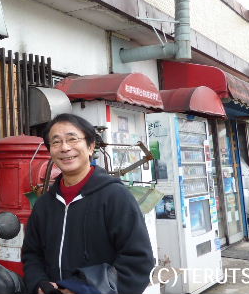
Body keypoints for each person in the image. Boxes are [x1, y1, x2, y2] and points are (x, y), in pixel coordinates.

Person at [22, 113, 154, 294]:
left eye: (72, 139)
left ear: (91, 146)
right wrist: (39, 284)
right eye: (56, 142)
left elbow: (138, 262)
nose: (65, 148)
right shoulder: (44, 204)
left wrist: (79, 289)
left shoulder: (116, 197)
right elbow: (31, 254)